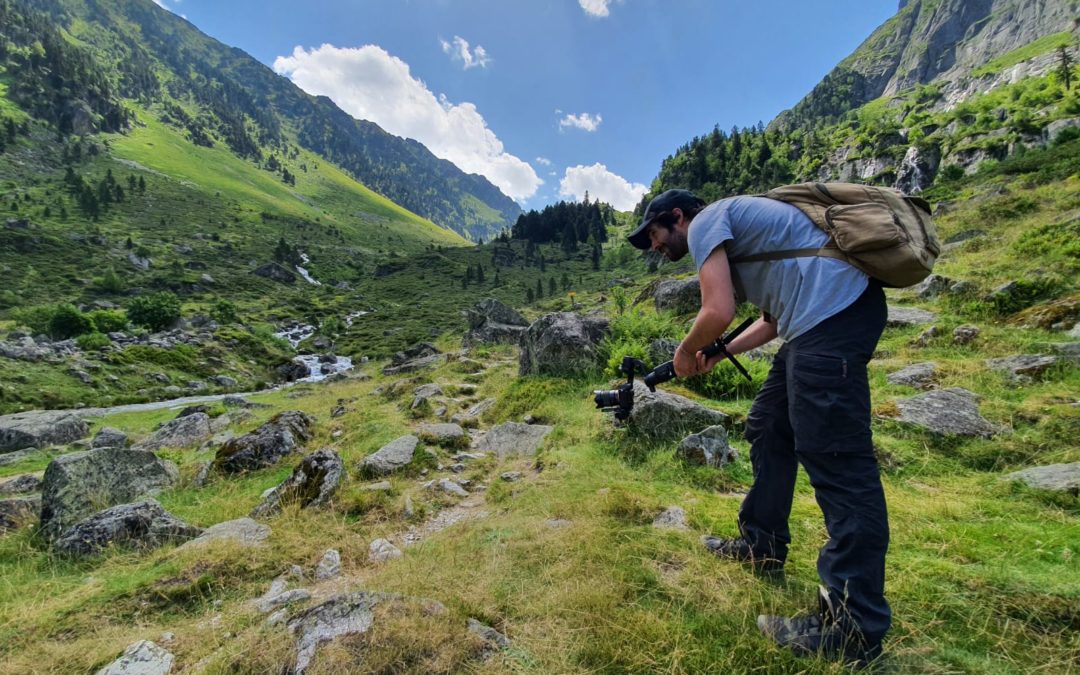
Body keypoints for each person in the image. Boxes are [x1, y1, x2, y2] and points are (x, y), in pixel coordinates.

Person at [627, 188, 890, 667]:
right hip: (821, 318)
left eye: (654, 236)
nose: (656, 249)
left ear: (677, 217)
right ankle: (761, 545)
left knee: (836, 460)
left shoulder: (708, 223)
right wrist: (720, 351)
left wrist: (686, 352)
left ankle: (853, 626)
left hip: (831, 318)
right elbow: (769, 321)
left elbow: (717, 312)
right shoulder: (740, 230)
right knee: (769, 424)